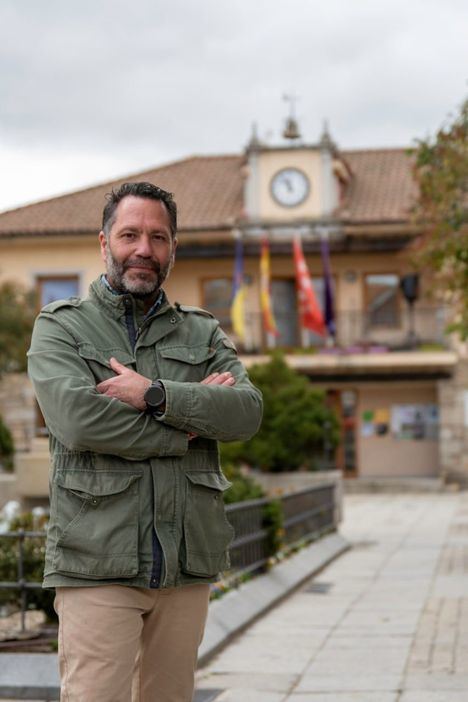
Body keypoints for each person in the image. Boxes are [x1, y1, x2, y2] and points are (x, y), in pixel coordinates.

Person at [28, 181, 263, 702]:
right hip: (97, 563)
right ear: (104, 242)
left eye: (158, 237)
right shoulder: (61, 328)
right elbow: (78, 422)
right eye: (130, 234)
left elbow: (246, 411)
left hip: (184, 563)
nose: (144, 249)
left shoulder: (202, 333)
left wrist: (154, 394)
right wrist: (189, 422)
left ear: (172, 249)